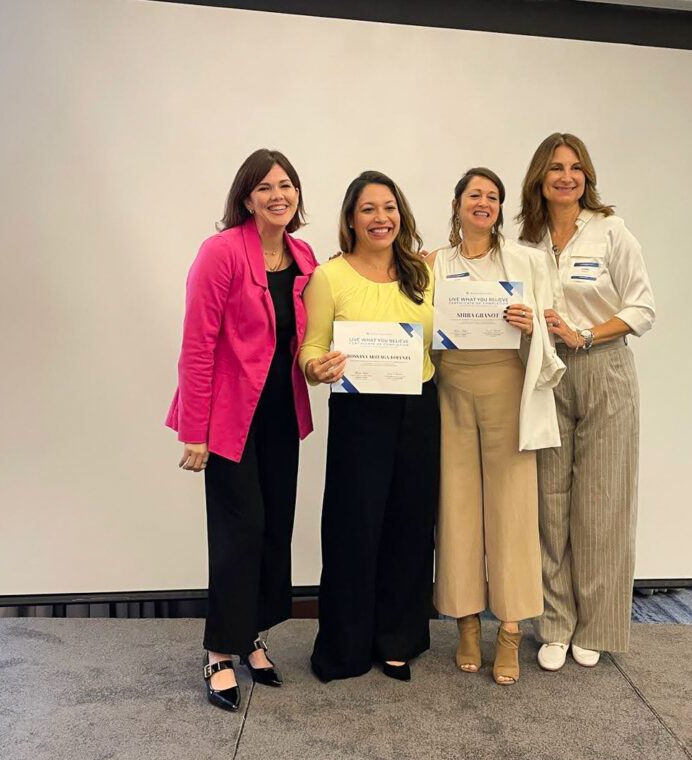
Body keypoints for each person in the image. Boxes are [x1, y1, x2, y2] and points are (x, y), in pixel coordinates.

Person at [165, 149, 317, 710]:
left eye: (288, 185)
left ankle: (251, 635)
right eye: (266, 187)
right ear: (246, 197)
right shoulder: (221, 252)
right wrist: (195, 430)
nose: (279, 195)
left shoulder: (303, 255)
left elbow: (323, 324)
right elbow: (198, 344)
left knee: (275, 527)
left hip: (281, 414)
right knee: (240, 531)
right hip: (230, 419)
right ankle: (218, 653)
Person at [517, 133, 655, 671]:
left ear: (587, 177)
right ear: (540, 178)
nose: (566, 177)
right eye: (555, 168)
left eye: (575, 168)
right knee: (549, 504)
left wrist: (587, 334)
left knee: (601, 505)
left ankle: (596, 626)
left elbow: (642, 309)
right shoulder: (525, 240)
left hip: (604, 369)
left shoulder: (611, 232)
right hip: (545, 373)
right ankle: (554, 623)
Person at [300, 170, 438, 683]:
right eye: (368, 209)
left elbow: (443, 339)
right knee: (353, 529)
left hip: (419, 408)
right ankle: (345, 647)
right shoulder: (329, 277)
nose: (381, 218)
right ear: (351, 219)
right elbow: (311, 348)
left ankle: (398, 639)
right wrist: (316, 368)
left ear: (401, 214)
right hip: (360, 415)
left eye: (389, 207)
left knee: (409, 526)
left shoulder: (423, 275)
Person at [427, 168, 564, 685]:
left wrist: (532, 327)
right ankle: (466, 624)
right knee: (457, 506)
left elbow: (549, 333)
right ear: (457, 203)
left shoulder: (528, 261)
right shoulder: (434, 263)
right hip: (452, 391)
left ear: (500, 207)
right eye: (473, 195)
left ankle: (508, 629)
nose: (482, 203)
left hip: (508, 388)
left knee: (512, 508)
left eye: (492, 197)